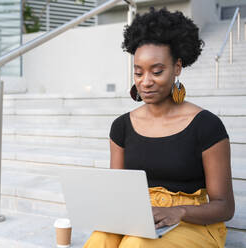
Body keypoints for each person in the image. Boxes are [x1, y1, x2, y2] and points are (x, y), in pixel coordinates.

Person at [83, 7, 235, 248]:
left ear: (177, 68)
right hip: (138, 216)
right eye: (138, 72)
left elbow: (224, 206)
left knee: (136, 244)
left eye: (157, 71)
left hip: (193, 223)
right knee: (99, 239)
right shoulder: (121, 127)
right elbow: (117, 192)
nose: (146, 82)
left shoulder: (206, 126)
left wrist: (180, 212)